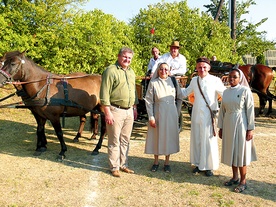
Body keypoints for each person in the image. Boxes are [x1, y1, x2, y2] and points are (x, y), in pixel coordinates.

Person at [181, 57, 226, 176]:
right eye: (199, 67)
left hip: (209, 115)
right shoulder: (194, 80)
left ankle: (209, 166)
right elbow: (185, 93)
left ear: (209, 68)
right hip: (196, 114)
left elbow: (225, 94)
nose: (202, 69)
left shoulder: (215, 80)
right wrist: (171, 87)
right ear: (196, 68)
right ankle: (198, 164)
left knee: (209, 140)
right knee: (197, 139)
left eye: (204, 67)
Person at [100, 47, 138, 178]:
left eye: (129, 58)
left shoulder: (131, 72)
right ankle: (114, 167)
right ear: (118, 56)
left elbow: (133, 91)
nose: (127, 60)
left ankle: (123, 164)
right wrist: (107, 112)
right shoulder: (110, 71)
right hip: (115, 110)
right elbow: (104, 93)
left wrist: (134, 107)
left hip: (129, 111)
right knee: (114, 140)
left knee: (125, 140)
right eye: (125, 57)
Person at [218, 69, 257, 193]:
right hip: (229, 122)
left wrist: (250, 128)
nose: (231, 79)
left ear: (239, 78)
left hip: (241, 123)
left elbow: (250, 110)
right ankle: (235, 177)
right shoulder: (226, 92)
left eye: (234, 77)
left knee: (241, 152)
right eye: (230, 77)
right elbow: (222, 111)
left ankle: (243, 181)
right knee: (232, 151)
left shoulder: (245, 90)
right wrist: (221, 127)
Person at [144, 63, 184, 172]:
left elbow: (180, 97)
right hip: (158, 112)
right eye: (161, 69)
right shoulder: (153, 83)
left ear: (169, 70)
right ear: (158, 70)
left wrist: (177, 111)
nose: (163, 71)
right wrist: (151, 117)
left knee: (169, 137)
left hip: (171, 113)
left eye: (166, 69)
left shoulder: (173, 82)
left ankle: (167, 162)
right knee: (156, 136)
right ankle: (156, 161)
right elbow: (148, 101)